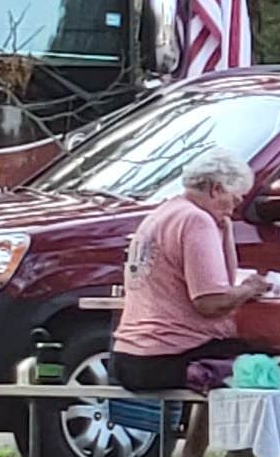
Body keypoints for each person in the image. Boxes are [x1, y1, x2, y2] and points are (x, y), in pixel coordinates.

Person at [109, 153, 267, 391]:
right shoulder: (196, 220)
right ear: (216, 189)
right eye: (234, 201)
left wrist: (224, 228)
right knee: (276, 364)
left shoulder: (163, 214)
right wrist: (249, 289)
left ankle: (199, 428)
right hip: (168, 355)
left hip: (129, 356)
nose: (233, 211)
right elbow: (210, 302)